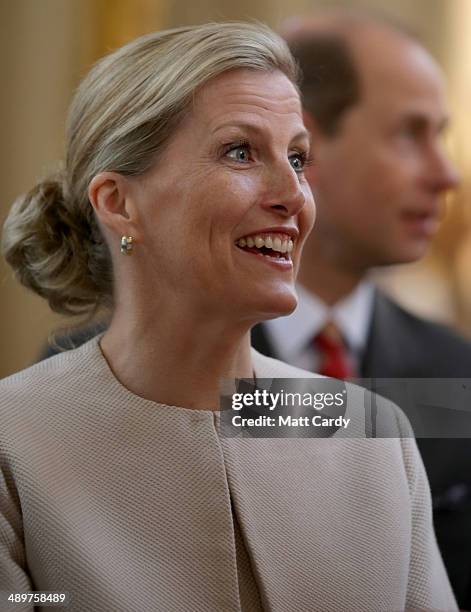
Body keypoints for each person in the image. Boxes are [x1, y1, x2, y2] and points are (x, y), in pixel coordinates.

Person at [0, 22, 456, 612]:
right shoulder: (16, 443)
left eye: (297, 158)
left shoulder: (372, 433)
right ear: (119, 202)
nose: (293, 194)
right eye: (240, 151)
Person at [250, 10, 471, 608]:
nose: (445, 174)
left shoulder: (461, 373)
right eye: (409, 133)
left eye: (441, 134)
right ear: (305, 148)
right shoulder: (113, 372)